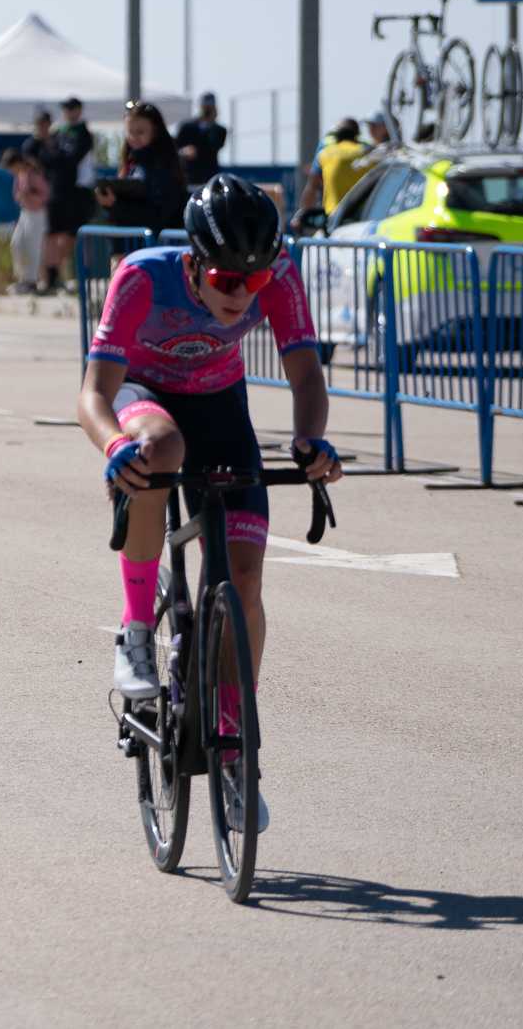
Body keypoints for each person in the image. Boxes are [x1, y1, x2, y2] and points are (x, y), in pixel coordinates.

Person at [78, 174, 341, 832]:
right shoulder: (142, 277)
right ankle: (137, 628)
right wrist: (114, 445)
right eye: (227, 280)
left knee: (244, 581)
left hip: (221, 408)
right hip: (145, 397)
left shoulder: (275, 272)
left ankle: (235, 745)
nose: (241, 295)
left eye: (252, 284)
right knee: (158, 450)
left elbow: (306, 374)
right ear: (192, 262)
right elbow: (92, 394)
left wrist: (311, 440)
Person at [96, 101, 189, 233]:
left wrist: (116, 206)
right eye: (130, 132)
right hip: (130, 248)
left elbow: (158, 216)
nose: (133, 137)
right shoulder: (130, 163)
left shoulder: (164, 165)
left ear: (155, 131)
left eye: (140, 132)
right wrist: (109, 203)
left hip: (156, 248)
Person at [40, 97, 95, 292]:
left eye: (73, 108)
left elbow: (72, 159)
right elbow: (46, 157)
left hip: (76, 190)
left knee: (72, 234)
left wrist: (56, 159)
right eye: (66, 109)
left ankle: (71, 274)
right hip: (57, 189)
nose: (69, 112)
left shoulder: (83, 133)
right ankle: (52, 276)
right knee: (53, 234)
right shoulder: (58, 133)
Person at [295, 118, 367, 231]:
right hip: (365, 218)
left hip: (334, 218)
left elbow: (312, 186)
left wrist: (301, 216)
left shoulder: (325, 152)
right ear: (357, 135)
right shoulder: (367, 151)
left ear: (336, 136)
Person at [1, 148, 48, 294]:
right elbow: (17, 193)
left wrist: (31, 195)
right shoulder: (20, 175)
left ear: (17, 163)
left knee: (33, 247)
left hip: (38, 213)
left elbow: (45, 194)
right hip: (26, 212)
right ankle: (22, 278)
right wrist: (21, 196)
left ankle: (31, 281)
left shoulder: (34, 173)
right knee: (17, 243)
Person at [174, 93, 229, 187]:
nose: (207, 110)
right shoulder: (186, 127)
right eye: (205, 107)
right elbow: (175, 147)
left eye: (210, 107)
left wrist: (211, 124)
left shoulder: (220, 130)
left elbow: (215, 146)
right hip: (189, 175)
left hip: (209, 177)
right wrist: (184, 152)